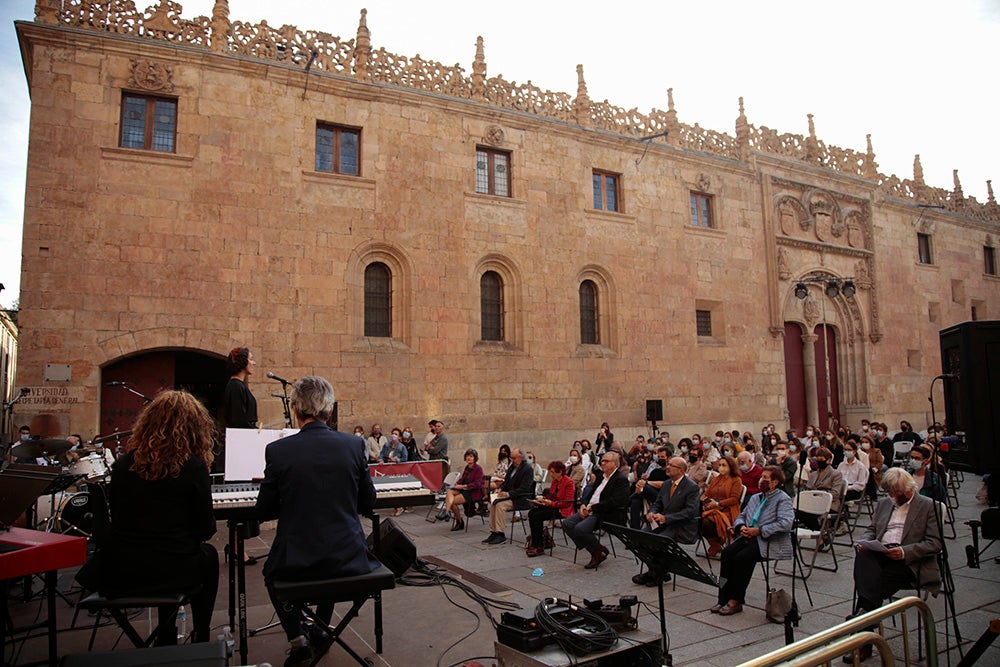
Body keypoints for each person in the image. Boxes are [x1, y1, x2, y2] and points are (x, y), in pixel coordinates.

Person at [256, 376, 378, 667]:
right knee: (329, 563)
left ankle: (297, 639)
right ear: (329, 410)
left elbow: (264, 510)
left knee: (270, 574)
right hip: (348, 556)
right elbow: (369, 504)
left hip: (296, 560)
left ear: (296, 410)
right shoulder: (354, 446)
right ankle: (321, 628)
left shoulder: (279, 450)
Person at [97, 390, 219, 644]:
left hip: (124, 570)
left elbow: (116, 520)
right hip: (174, 568)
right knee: (208, 557)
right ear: (196, 428)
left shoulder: (122, 465)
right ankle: (202, 635)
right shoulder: (193, 467)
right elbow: (205, 529)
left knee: (173, 558)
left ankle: (167, 635)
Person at [848, 468, 942, 662]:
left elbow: (935, 543)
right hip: (881, 552)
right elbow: (872, 529)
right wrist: (865, 542)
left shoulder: (928, 506)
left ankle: (862, 625)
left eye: (897, 493)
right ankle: (866, 617)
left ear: (909, 489)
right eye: (890, 493)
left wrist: (904, 552)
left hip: (908, 560)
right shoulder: (884, 504)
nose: (893, 497)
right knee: (864, 558)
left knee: (871, 587)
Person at [711, 466, 794, 616]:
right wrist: (741, 526)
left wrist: (760, 530)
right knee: (727, 554)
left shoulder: (783, 499)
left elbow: (786, 523)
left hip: (768, 540)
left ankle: (736, 600)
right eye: (761, 477)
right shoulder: (756, 497)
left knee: (742, 558)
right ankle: (723, 597)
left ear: (775, 482)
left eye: (765, 478)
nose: (761, 480)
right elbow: (743, 515)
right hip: (748, 535)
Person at [632, 457, 700, 586]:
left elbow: (690, 512)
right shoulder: (667, 484)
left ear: (680, 470)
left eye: (671, 465)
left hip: (680, 525)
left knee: (659, 542)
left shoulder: (691, 487)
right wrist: (651, 512)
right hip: (662, 522)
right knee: (640, 538)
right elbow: (658, 503)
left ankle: (656, 573)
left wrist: (667, 518)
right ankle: (658, 571)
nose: (667, 467)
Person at [562, 451, 629, 569]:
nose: (602, 463)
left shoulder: (620, 479)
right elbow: (590, 493)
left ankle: (596, 552)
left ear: (615, 464)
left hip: (605, 513)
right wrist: (584, 504)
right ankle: (597, 550)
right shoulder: (600, 477)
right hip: (589, 509)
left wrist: (592, 508)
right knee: (567, 523)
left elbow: (615, 502)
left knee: (580, 529)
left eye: (606, 461)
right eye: (602, 461)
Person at [483, 448, 534, 545]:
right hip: (510, 496)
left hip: (520, 498)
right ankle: (493, 531)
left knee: (500, 506)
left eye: (514, 458)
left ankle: (500, 533)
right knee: (493, 502)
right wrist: (500, 489)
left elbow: (525, 488)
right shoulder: (512, 467)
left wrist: (508, 494)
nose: (512, 460)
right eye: (511, 458)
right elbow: (506, 482)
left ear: (521, 458)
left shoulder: (527, 469)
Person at [526, 461, 576, 556]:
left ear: (560, 472)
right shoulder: (555, 482)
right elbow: (552, 496)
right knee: (532, 512)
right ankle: (536, 540)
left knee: (537, 516)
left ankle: (538, 545)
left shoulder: (569, 482)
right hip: (553, 506)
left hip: (563, 509)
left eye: (553, 472)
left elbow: (568, 502)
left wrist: (551, 503)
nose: (551, 475)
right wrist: (542, 501)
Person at [701, 455, 743, 556]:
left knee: (706, 522)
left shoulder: (736, 480)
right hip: (712, 508)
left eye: (724, 465)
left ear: (730, 466)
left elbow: (734, 499)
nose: (721, 467)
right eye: (719, 465)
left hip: (728, 510)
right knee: (697, 518)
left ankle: (717, 541)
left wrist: (718, 503)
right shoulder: (716, 479)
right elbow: (706, 494)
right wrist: (705, 501)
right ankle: (715, 543)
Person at [800, 446, 844, 530]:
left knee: (810, 515)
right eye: (818, 460)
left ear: (829, 460)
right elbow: (808, 489)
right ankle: (820, 532)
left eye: (821, 460)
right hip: (813, 502)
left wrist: (818, 495)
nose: (819, 462)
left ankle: (820, 534)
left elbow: (836, 493)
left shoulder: (836, 474)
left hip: (829, 504)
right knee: (799, 511)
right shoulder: (813, 474)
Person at [628, 446, 670, 529]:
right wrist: (640, 484)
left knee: (646, 487)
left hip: (663, 496)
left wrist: (646, 482)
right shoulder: (655, 471)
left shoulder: (670, 471)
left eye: (662, 457)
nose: (660, 459)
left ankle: (626, 501)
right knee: (635, 501)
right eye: (658, 457)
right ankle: (635, 529)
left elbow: (665, 484)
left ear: (669, 458)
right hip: (649, 496)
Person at [443, 448, 484, 531]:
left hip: (473, 492)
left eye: (471, 456)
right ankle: (447, 512)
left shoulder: (478, 469)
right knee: (449, 491)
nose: (469, 458)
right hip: (464, 489)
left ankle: (459, 521)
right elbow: (462, 479)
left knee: (452, 502)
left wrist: (463, 486)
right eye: (467, 456)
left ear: (475, 458)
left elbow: (477, 484)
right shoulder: (467, 467)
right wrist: (457, 484)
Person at [220, 346, 258, 430]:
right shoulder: (236, 386)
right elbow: (239, 420)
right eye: (251, 359)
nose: (254, 363)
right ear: (243, 362)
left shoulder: (239, 385)